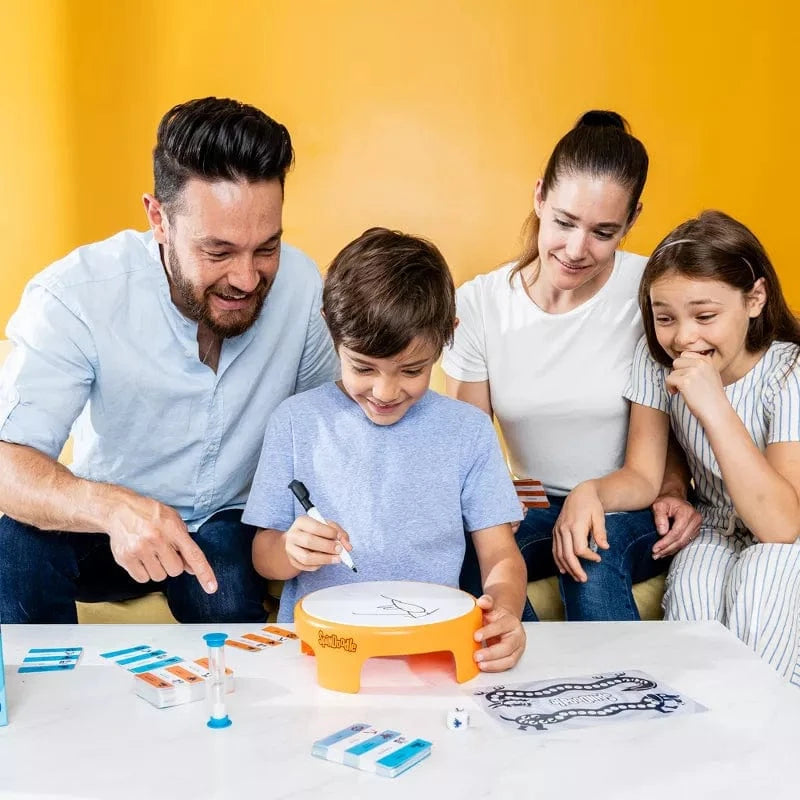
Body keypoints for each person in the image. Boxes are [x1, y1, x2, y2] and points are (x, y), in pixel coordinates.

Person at [0, 97, 339, 624]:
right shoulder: (76, 295)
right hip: (106, 528)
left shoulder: (301, 286)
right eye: (218, 251)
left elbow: (329, 424)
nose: (246, 278)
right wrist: (112, 508)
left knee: (224, 595)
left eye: (266, 248)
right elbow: (7, 464)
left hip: (229, 520)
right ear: (158, 219)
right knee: (13, 548)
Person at [442, 110, 701, 621]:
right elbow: (465, 447)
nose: (577, 250)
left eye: (604, 232)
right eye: (563, 222)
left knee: (591, 559)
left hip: (627, 503)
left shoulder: (649, 295)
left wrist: (595, 494)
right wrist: (495, 496)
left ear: (632, 220)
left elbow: (648, 467)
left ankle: (622, 677)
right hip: (537, 504)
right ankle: (522, 668)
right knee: (471, 559)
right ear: (539, 196)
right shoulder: (480, 304)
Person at [244, 227, 527, 672]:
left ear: (446, 337)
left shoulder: (468, 431)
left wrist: (505, 609)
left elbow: (500, 555)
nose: (385, 391)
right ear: (330, 329)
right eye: (363, 368)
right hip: (321, 652)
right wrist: (290, 550)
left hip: (430, 649)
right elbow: (264, 557)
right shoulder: (295, 422)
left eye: (412, 370)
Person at [555, 210, 800, 684]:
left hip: (784, 537)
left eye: (705, 316)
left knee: (763, 575)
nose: (683, 337)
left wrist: (714, 405)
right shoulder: (656, 361)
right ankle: (695, 725)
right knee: (693, 589)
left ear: (755, 299)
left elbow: (782, 526)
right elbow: (643, 476)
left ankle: (768, 720)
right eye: (665, 318)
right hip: (714, 526)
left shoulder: (789, 372)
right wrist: (591, 492)